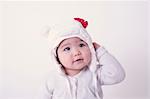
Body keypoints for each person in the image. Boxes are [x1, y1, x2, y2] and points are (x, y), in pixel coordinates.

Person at [37, 18, 125, 99]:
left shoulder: (94, 73)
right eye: (67, 48)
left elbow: (117, 75)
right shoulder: (51, 79)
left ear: (90, 48)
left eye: (81, 45)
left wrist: (100, 52)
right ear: (56, 56)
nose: (76, 52)